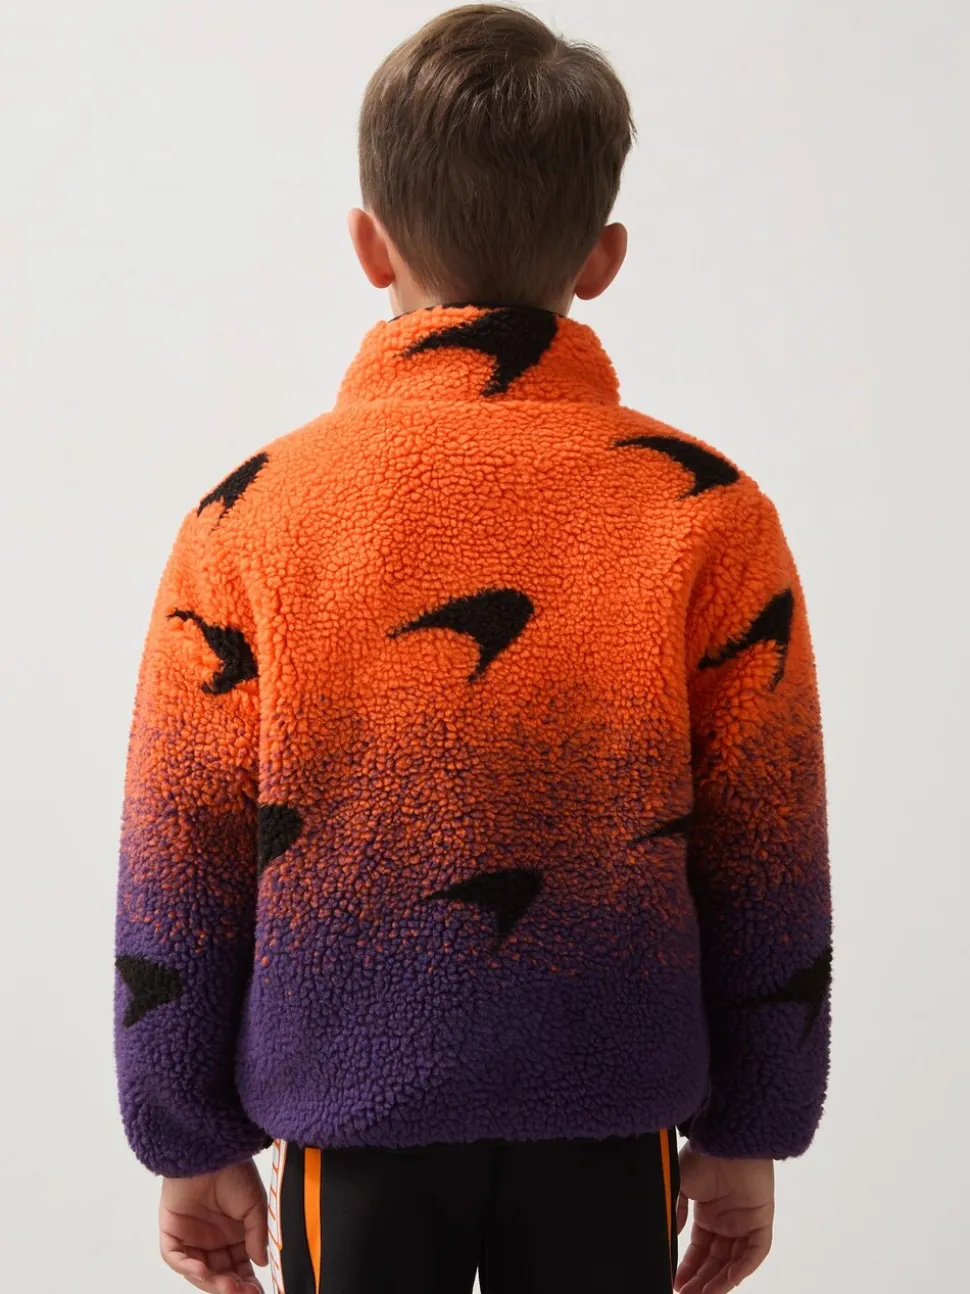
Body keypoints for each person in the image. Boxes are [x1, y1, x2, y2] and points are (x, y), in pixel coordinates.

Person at [112, 6, 832, 1293]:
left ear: (368, 243)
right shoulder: (707, 515)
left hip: (351, 1116)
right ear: (602, 258)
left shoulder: (252, 518)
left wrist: (188, 1134)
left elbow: (181, 846)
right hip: (611, 1106)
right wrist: (750, 1126)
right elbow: (766, 845)